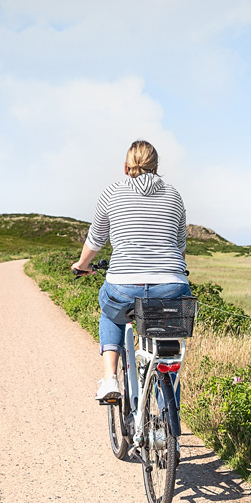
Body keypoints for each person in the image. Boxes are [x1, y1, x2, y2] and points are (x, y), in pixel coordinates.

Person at [72, 140, 190, 401]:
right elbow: (180, 246)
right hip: (171, 283)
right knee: (166, 347)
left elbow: (95, 240)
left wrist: (81, 266)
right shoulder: (174, 194)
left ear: (126, 168)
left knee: (110, 313)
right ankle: (170, 427)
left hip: (123, 284)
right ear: (156, 168)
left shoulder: (112, 192)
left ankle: (110, 378)